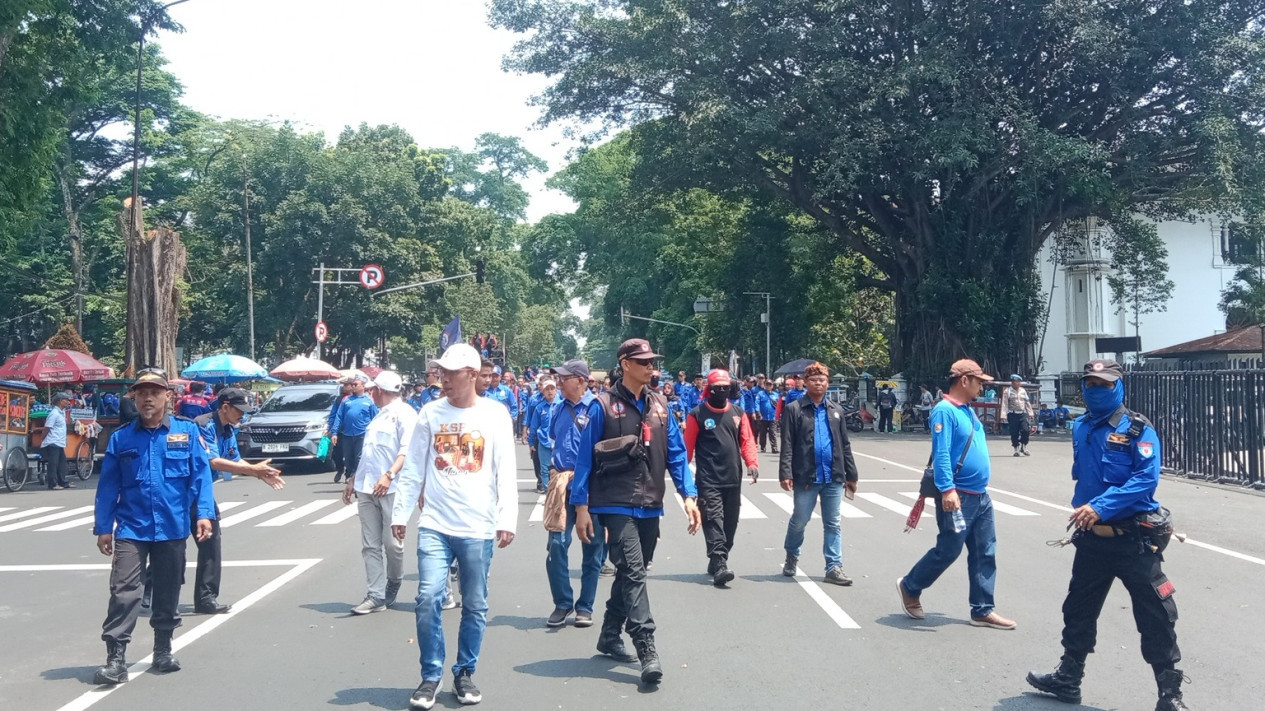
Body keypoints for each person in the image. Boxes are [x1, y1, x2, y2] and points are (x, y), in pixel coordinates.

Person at [1027, 359, 1188, 710]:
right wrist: (1089, 511)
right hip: (1092, 539)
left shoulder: (1137, 429)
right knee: (1078, 608)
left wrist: (1100, 505)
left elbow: (1146, 479)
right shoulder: (1080, 426)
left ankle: (1169, 693)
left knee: (1156, 615)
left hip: (1133, 540)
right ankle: (1069, 678)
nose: (1096, 389)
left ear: (1118, 386)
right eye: (1091, 383)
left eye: (1104, 384)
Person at [391, 343, 517, 709]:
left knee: (474, 604)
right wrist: (401, 514)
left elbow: (505, 470)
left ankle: (464, 672)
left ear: (473, 375)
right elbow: (414, 467)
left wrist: (506, 517)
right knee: (428, 596)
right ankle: (431, 675)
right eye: (441, 372)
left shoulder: (496, 415)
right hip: (435, 523)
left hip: (478, 527)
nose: (443, 378)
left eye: (451, 372)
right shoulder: (430, 413)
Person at [571, 338, 701, 685]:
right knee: (633, 571)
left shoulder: (660, 404)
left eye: (652, 362)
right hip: (614, 502)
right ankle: (647, 647)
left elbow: (675, 452)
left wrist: (688, 494)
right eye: (643, 361)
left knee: (633, 571)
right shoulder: (601, 405)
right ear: (625, 363)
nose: (651, 367)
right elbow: (584, 460)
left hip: (650, 503)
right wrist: (581, 506)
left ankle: (609, 633)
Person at [91, 368, 215, 685]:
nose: (148, 398)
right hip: (132, 528)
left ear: (167, 397)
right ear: (134, 396)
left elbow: (201, 477)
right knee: (123, 591)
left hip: (172, 527)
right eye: (142, 392)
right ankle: (115, 658)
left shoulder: (186, 433)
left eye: (155, 392)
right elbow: (107, 487)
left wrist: (203, 514)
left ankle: (163, 650)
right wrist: (104, 526)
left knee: (168, 589)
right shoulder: (121, 439)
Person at [897, 359, 1016, 630]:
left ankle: (982, 609)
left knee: (985, 551)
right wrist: (947, 490)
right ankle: (910, 585)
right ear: (964, 380)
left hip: (980, 495)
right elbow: (941, 453)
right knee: (948, 550)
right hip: (958, 494)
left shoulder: (967, 411)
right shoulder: (944, 411)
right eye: (979, 382)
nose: (982, 387)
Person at [189, 388, 283, 614]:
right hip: (180, 490)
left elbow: (234, 459)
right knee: (170, 544)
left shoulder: (229, 429)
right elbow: (213, 462)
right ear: (224, 407)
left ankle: (206, 598)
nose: (243, 415)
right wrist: (254, 470)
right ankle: (148, 591)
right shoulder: (202, 425)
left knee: (211, 541)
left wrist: (258, 472)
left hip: (202, 491)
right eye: (240, 410)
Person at [778, 362, 859, 586]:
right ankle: (792, 554)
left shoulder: (836, 410)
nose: (818, 383)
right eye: (814, 379)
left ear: (827, 383)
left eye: (822, 379)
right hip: (806, 477)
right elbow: (787, 444)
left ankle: (834, 567)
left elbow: (844, 444)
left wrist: (851, 475)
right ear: (806, 382)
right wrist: (786, 472)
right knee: (800, 520)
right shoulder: (794, 409)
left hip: (833, 476)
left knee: (833, 523)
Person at [342, 371, 413, 615]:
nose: (371, 393)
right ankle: (376, 594)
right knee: (369, 545)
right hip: (366, 487)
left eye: (373, 390)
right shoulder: (378, 418)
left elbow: (407, 451)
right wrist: (353, 479)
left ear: (379, 391)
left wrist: (389, 474)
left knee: (392, 544)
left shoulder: (406, 415)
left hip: (392, 488)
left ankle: (394, 579)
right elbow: (369, 454)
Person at [542, 358, 605, 628]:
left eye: (564, 378)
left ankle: (585, 606)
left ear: (581, 381)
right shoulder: (557, 408)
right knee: (556, 545)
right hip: (561, 483)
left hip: (591, 485)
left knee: (592, 547)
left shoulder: (597, 408)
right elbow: (553, 440)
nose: (559, 382)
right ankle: (563, 602)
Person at [683, 369, 759, 587]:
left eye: (725, 388)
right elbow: (687, 448)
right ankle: (719, 563)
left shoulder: (738, 413)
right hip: (708, 479)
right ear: (709, 389)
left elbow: (747, 440)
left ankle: (719, 558)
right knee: (713, 519)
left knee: (730, 526)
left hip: (733, 478)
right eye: (717, 388)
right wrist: (682, 476)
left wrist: (752, 462)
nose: (721, 391)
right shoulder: (697, 414)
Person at [331, 376, 379, 485]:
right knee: (348, 459)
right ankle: (351, 477)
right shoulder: (346, 401)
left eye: (355, 385)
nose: (353, 387)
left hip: (362, 434)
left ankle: (357, 481)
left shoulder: (369, 401)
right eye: (352, 385)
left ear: (363, 386)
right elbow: (339, 416)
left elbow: (376, 418)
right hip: (347, 434)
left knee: (359, 459)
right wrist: (334, 432)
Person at [527, 378, 559, 493]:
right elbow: (534, 427)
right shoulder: (539, 408)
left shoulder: (562, 405)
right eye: (547, 389)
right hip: (544, 443)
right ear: (543, 392)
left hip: (559, 443)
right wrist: (531, 443)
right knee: (544, 470)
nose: (550, 391)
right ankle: (548, 492)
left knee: (559, 469)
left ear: (556, 390)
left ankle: (558, 493)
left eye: (552, 388)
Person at [39, 392, 74, 490]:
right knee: (53, 464)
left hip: (59, 441)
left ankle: (63, 482)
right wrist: (43, 439)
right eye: (65, 400)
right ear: (59, 401)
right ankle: (53, 484)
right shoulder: (54, 413)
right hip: (52, 441)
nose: (68, 402)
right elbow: (47, 428)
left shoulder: (62, 412)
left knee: (62, 463)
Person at [326, 381, 353, 482]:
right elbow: (334, 415)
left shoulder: (357, 399)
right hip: (340, 431)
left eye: (347, 385)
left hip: (351, 432)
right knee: (337, 453)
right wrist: (329, 428)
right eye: (344, 385)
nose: (344, 387)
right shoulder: (339, 399)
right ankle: (340, 469)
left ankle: (348, 474)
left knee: (349, 454)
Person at [1003, 374, 1033, 456]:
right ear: (1012, 383)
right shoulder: (1007, 391)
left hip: (1023, 414)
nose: (1018, 383)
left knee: (1026, 430)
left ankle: (1024, 446)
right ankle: (1016, 449)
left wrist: (1030, 413)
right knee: (1014, 432)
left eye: (1019, 382)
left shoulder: (1023, 391)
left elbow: (1027, 402)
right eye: (1016, 382)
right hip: (1012, 414)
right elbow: (1004, 404)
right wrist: (1003, 415)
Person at [756, 379, 780, 453]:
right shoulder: (760, 394)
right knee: (763, 433)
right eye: (767, 384)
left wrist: (779, 415)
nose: (768, 386)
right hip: (763, 417)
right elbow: (757, 403)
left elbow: (779, 406)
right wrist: (758, 412)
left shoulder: (776, 394)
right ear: (764, 385)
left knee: (773, 433)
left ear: (772, 386)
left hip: (773, 417)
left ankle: (774, 448)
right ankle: (763, 447)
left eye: (770, 385)